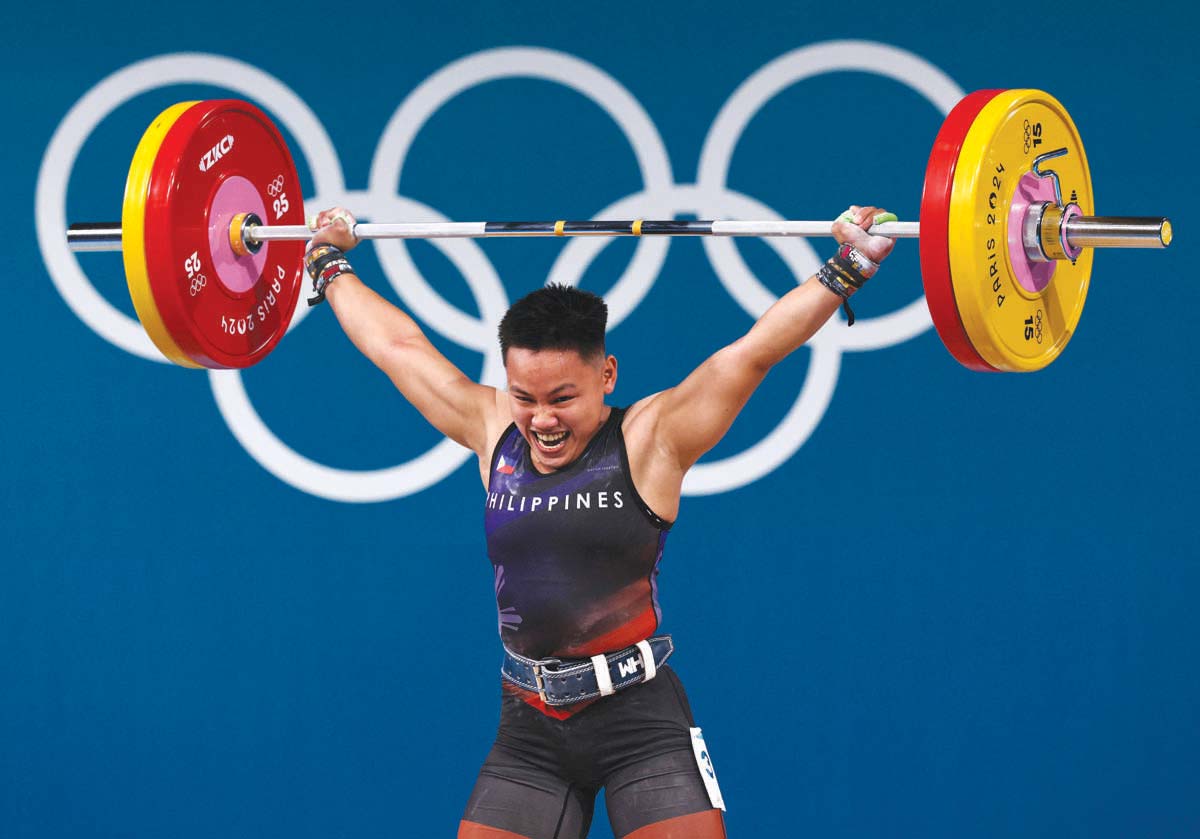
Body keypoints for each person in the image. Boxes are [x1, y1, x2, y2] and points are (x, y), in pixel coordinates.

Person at [304, 205, 896, 839]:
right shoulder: (494, 433)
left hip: (639, 721)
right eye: (525, 398)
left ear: (606, 375)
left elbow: (751, 354)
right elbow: (397, 348)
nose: (542, 420)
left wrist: (850, 264)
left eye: (563, 399)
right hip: (528, 726)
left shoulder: (651, 439)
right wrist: (327, 260)